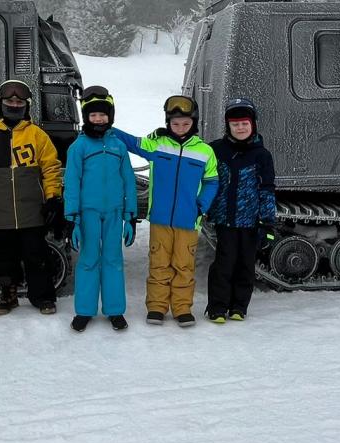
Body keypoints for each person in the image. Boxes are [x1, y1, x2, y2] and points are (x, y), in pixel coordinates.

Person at [112, 94, 217, 328]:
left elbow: (212, 181)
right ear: (168, 123)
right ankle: (157, 307)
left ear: (194, 124)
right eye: (175, 123)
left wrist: (202, 205)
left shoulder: (205, 151)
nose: (180, 128)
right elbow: (132, 142)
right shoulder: (158, 145)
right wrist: (105, 125)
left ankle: (182, 308)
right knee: (159, 264)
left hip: (189, 220)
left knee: (183, 266)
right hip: (160, 219)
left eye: (186, 123)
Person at [0, 79, 64, 316]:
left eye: (19, 102)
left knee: (36, 254)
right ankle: (8, 296)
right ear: (0, 104)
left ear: (27, 106)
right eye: (9, 101)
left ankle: (42, 296)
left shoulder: (37, 135)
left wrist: (52, 198)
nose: (14, 105)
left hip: (31, 209)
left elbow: (51, 168)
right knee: (5, 257)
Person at [63, 85, 137, 332]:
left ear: (110, 116)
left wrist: (130, 217)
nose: (98, 119)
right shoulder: (79, 147)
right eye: (93, 115)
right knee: (88, 260)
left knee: (114, 260)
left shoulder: (119, 147)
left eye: (103, 114)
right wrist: (72, 218)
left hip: (115, 213)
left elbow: (128, 181)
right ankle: (84, 310)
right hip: (88, 215)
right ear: (86, 117)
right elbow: (72, 183)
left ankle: (115, 310)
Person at [204, 97, 277, 323]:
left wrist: (268, 223)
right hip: (224, 220)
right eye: (235, 124)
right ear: (228, 126)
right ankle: (217, 307)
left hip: (250, 222)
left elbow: (267, 189)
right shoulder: (216, 150)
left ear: (253, 124)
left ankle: (238, 307)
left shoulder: (262, 155)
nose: (240, 128)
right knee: (223, 264)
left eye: (244, 123)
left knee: (245, 265)